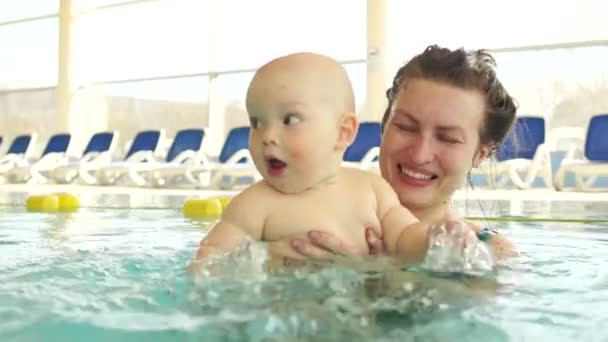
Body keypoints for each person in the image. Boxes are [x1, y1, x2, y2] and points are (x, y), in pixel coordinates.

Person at [192, 52, 450, 268]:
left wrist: (442, 242)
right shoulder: (253, 206)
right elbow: (204, 265)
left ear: (343, 132)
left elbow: (406, 238)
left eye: (289, 120)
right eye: (256, 122)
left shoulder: (373, 191)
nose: (267, 136)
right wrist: (261, 259)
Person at [269, 45, 519, 261]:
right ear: (385, 125)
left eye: (447, 138)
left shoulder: (488, 252)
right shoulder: (307, 214)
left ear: (481, 155)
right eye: (405, 127)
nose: (420, 155)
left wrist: (375, 273)